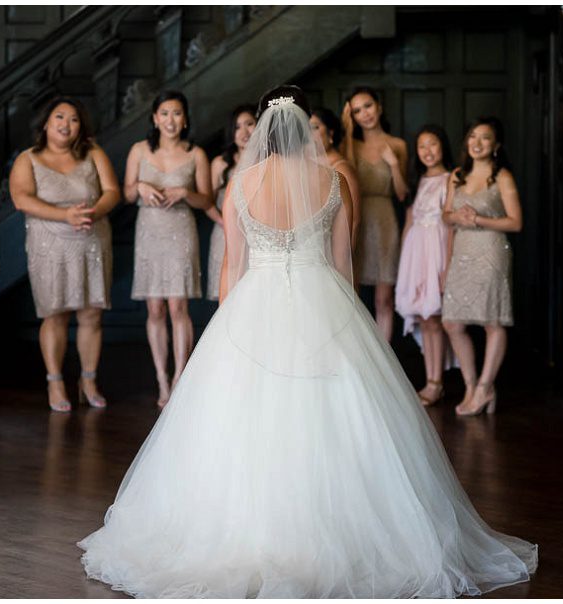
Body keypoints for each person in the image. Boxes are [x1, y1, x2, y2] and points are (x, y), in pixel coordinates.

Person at [78, 86, 537, 598]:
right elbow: (343, 264)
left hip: (255, 301)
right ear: (303, 128)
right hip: (324, 297)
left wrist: (226, 331)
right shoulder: (333, 180)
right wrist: (349, 323)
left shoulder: (241, 183)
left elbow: (232, 264)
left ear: (264, 129)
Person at [9, 97, 121, 412]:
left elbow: (112, 191)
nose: (66, 124)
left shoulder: (93, 153)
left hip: (92, 238)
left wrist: (95, 211)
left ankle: (88, 380)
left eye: (73, 119)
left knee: (91, 313)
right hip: (49, 244)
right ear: (45, 123)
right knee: (55, 314)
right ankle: (55, 381)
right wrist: (64, 216)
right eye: (59, 117)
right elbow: (20, 199)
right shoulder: (27, 159)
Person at [124, 91, 213, 407]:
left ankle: (180, 378)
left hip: (180, 230)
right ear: (154, 118)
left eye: (177, 113)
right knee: (155, 309)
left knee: (178, 307)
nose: (170, 120)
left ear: (185, 119)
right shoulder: (139, 150)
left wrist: (185, 193)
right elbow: (125, 193)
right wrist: (140, 187)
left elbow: (207, 200)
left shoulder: (196, 154)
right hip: (149, 231)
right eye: (164, 113)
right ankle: (162, 378)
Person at [441, 117, 523, 416]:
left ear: (496, 145)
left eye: (484, 138)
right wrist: (457, 217)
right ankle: (471, 384)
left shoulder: (501, 177)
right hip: (461, 252)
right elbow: (445, 216)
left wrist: (477, 219)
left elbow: (516, 222)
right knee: (452, 323)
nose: (476, 143)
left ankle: (486, 387)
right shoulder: (457, 175)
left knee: (492, 321)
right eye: (472, 136)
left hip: (491, 251)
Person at [341, 87, 408, 341]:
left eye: (367, 106)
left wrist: (393, 164)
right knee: (351, 294)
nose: (364, 114)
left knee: (384, 299)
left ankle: (385, 363)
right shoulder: (351, 144)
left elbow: (402, 194)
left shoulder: (398, 145)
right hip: (355, 217)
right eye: (356, 111)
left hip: (385, 220)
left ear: (378, 106)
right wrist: (346, 127)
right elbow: (344, 174)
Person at [396, 125, 455, 405]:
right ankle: (430, 378)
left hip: (437, 250)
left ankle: (436, 382)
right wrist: (404, 265)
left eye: (432, 144)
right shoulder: (417, 181)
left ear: (442, 146)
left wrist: (447, 266)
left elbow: (451, 224)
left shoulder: (451, 179)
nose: (427, 151)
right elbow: (409, 223)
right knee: (424, 317)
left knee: (434, 317)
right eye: (421, 146)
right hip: (416, 253)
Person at [206, 104, 256, 301]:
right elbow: (207, 202)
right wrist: (223, 221)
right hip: (225, 234)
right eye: (237, 127)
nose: (244, 132)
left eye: (249, 124)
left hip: (257, 238)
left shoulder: (269, 161)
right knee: (229, 298)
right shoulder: (220, 163)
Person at [309, 107, 360, 247]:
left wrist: (346, 261)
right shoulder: (307, 165)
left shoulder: (342, 169)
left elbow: (354, 220)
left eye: (315, 127)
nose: (309, 134)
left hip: (334, 247)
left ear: (330, 132)